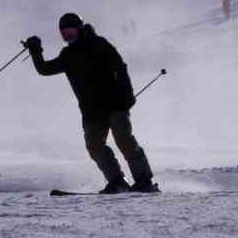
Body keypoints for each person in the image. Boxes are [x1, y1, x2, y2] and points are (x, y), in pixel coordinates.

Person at [24, 12, 156, 193]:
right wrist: (35, 50)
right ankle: (117, 181)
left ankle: (144, 180)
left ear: (79, 29)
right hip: (92, 112)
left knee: (123, 139)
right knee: (94, 145)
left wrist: (127, 94)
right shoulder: (67, 55)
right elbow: (45, 69)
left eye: (70, 32)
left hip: (115, 103)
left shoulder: (98, 44)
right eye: (63, 34)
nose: (67, 36)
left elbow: (120, 67)